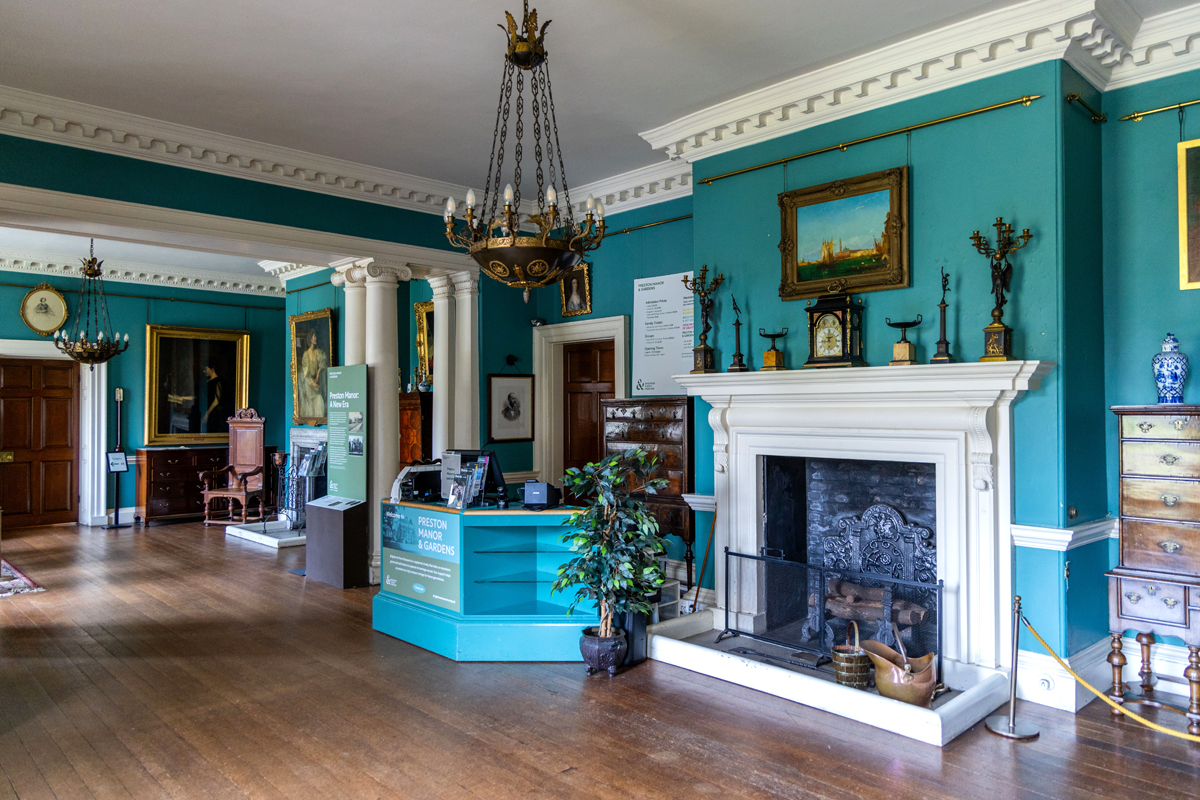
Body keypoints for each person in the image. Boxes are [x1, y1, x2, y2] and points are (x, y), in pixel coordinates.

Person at [298, 329, 328, 418]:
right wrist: (312, 383)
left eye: (315, 336)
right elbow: (305, 376)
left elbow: (322, 366)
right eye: (314, 336)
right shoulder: (306, 354)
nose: (316, 338)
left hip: (316, 383)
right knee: (310, 399)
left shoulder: (318, 352)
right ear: (310, 339)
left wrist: (318, 374)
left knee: (319, 398)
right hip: (308, 385)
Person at [200, 361, 232, 433]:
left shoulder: (218, 382)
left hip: (213, 413)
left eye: (205, 369)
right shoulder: (206, 381)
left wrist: (207, 414)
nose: (204, 371)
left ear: (212, 369)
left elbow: (216, 400)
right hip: (205, 410)